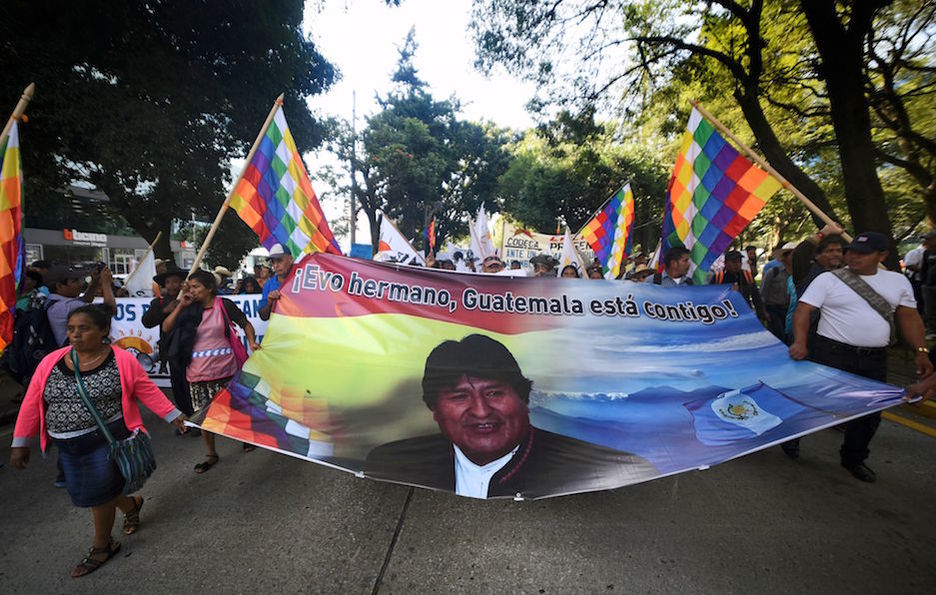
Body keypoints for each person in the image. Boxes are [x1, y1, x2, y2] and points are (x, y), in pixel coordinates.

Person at [10, 305, 186, 577]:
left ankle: (103, 545)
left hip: (106, 440)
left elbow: (145, 389)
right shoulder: (51, 362)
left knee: (96, 495)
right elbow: (33, 401)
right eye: (71, 329)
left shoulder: (122, 360)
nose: (76, 335)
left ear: (103, 330)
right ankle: (131, 504)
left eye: (84, 328)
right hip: (67, 445)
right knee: (96, 491)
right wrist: (20, 442)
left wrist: (173, 415)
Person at [365, 334, 656, 499]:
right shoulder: (392, 464)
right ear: (434, 410)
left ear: (523, 398)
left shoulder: (592, 471)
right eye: (459, 396)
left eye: (494, 393)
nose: (480, 411)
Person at [789, 232, 933, 482]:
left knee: (868, 412)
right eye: (851, 251)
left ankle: (853, 458)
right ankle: (791, 437)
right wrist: (800, 341)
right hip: (831, 353)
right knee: (814, 401)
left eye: (862, 254)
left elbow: (909, 317)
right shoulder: (829, 280)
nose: (853, 257)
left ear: (882, 256)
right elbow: (804, 310)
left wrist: (920, 351)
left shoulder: (897, 283)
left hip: (873, 358)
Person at [162, 270, 260, 472]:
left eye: (196, 286)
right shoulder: (189, 309)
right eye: (190, 287)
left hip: (227, 371)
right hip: (198, 375)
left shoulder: (224, 305)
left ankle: (247, 437)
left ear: (209, 288)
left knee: (238, 408)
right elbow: (166, 328)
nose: (192, 290)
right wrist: (181, 305)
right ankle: (211, 454)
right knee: (204, 416)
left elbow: (245, 324)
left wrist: (251, 341)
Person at [141, 264, 194, 419]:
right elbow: (147, 322)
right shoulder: (159, 303)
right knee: (178, 386)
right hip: (172, 350)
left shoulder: (191, 300)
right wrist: (165, 311)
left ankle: (197, 417)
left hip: (191, 347)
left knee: (192, 386)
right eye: (169, 282)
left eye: (176, 281)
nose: (173, 285)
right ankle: (185, 417)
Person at [46, 265, 117, 347]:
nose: (80, 284)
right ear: (59, 286)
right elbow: (111, 309)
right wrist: (106, 283)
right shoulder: (67, 306)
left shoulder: (53, 302)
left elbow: (86, 300)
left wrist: (95, 283)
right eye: (75, 281)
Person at [708, 251, 766, 321]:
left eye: (739, 262)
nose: (737, 264)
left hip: (744, 315)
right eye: (734, 262)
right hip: (725, 316)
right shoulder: (718, 278)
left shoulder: (747, 276)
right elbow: (711, 298)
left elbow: (756, 297)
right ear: (725, 263)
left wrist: (761, 315)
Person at [760, 242, 796, 342]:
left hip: (791, 311)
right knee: (779, 336)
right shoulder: (773, 272)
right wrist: (764, 312)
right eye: (792, 255)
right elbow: (763, 293)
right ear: (784, 257)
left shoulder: (799, 274)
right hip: (774, 310)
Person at [258, 243, 295, 321]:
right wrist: (269, 303)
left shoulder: (301, 278)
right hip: (282, 331)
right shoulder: (269, 284)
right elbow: (263, 317)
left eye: (279, 260)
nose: (275, 265)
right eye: (273, 262)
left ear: (291, 259)